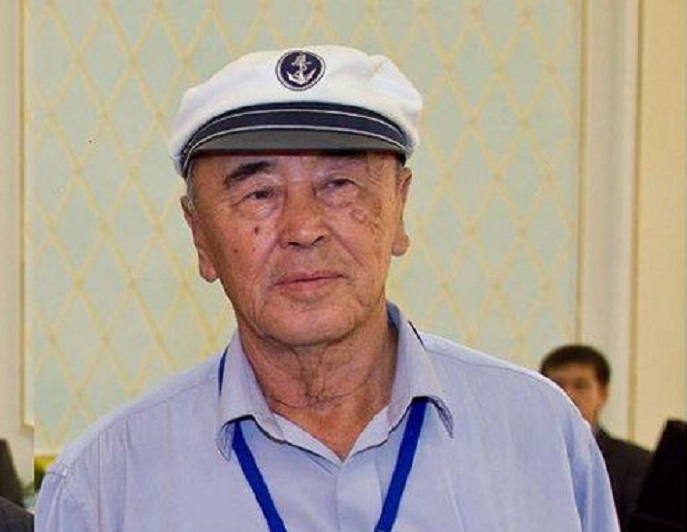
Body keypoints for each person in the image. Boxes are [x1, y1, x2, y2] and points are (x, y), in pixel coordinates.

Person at [36, 45, 620, 531]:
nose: (303, 228)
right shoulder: (103, 487)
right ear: (200, 236)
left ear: (399, 209)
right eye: (259, 193)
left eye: (340, 184)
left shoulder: (541, 433)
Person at [540, 344, 653, 531]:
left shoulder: (637, 464)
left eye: (580, 385)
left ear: (602, 394)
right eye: (557, 385)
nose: (568, 395)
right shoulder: (521, 459)